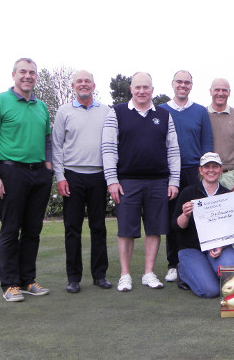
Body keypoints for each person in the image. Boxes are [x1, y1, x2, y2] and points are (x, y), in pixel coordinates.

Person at [0, 57, 52, 302]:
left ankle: (27, 280)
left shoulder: (41, 106)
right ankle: (9, 285)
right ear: (14, 75)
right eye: (23, 72)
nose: (28, 76)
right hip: (11, 172)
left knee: (33, 231)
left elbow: (47, 141)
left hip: (39, 174)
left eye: (32, 72)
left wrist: (48, 169)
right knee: (11, 230)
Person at [102, 72, 180, 291]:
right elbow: (108, 148)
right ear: (131, 89)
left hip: (158, 181)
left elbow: (173, 150)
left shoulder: (164, 115)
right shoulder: (116, 112)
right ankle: (125, 275)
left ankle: (149, 273)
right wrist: (112, 180)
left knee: (154, 229)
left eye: (146, 87)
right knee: (126, 230)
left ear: (152, 90)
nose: (142, 91)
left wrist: (173, 180)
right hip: (127, 181)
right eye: (138, 87)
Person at [52, 70, 112, 293]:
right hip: (72, 176)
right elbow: (57, 146)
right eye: (79, 81)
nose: (83, 84)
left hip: (98, 176)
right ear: (73, 85)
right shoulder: (64, 111)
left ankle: (99, 275)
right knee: (72, 229)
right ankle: (74, 277)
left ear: (94, 86)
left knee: (98, 227)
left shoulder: (106, 111)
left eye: (87, 81)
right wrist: (60, 177)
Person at [160, 70, 214, 284]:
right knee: (173, 218)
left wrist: (205, 173)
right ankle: (173, 264)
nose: (183, 85)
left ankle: (201, 258)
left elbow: (207, 143)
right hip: (169, 172)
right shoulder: (161, 110)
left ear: (191, 86)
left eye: (187, 82)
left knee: (198, 217)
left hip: (194, 171)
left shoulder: (200, 111)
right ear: (172, 84)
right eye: (179, 82)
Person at [172, 152, 234, 298]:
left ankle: (208, 268)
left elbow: (233, 228)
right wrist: (185, 215)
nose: (211, 170)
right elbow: (176, 227)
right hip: (192, 248)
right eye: (206, 167)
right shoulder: (188, 192)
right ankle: (183, 272)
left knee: (230, 277)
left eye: (215, 167)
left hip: (218, 247)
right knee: (211, 291)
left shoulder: (227, 195)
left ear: (221, 170)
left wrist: (221, 246)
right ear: (200, 170)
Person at [207, 78, 234, 191]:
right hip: (207, 174)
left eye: (224, 90)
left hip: (232, 176)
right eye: (217, 90)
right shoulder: (202, 114)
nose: (220, 93)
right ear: (210, 91)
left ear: (229, 93)